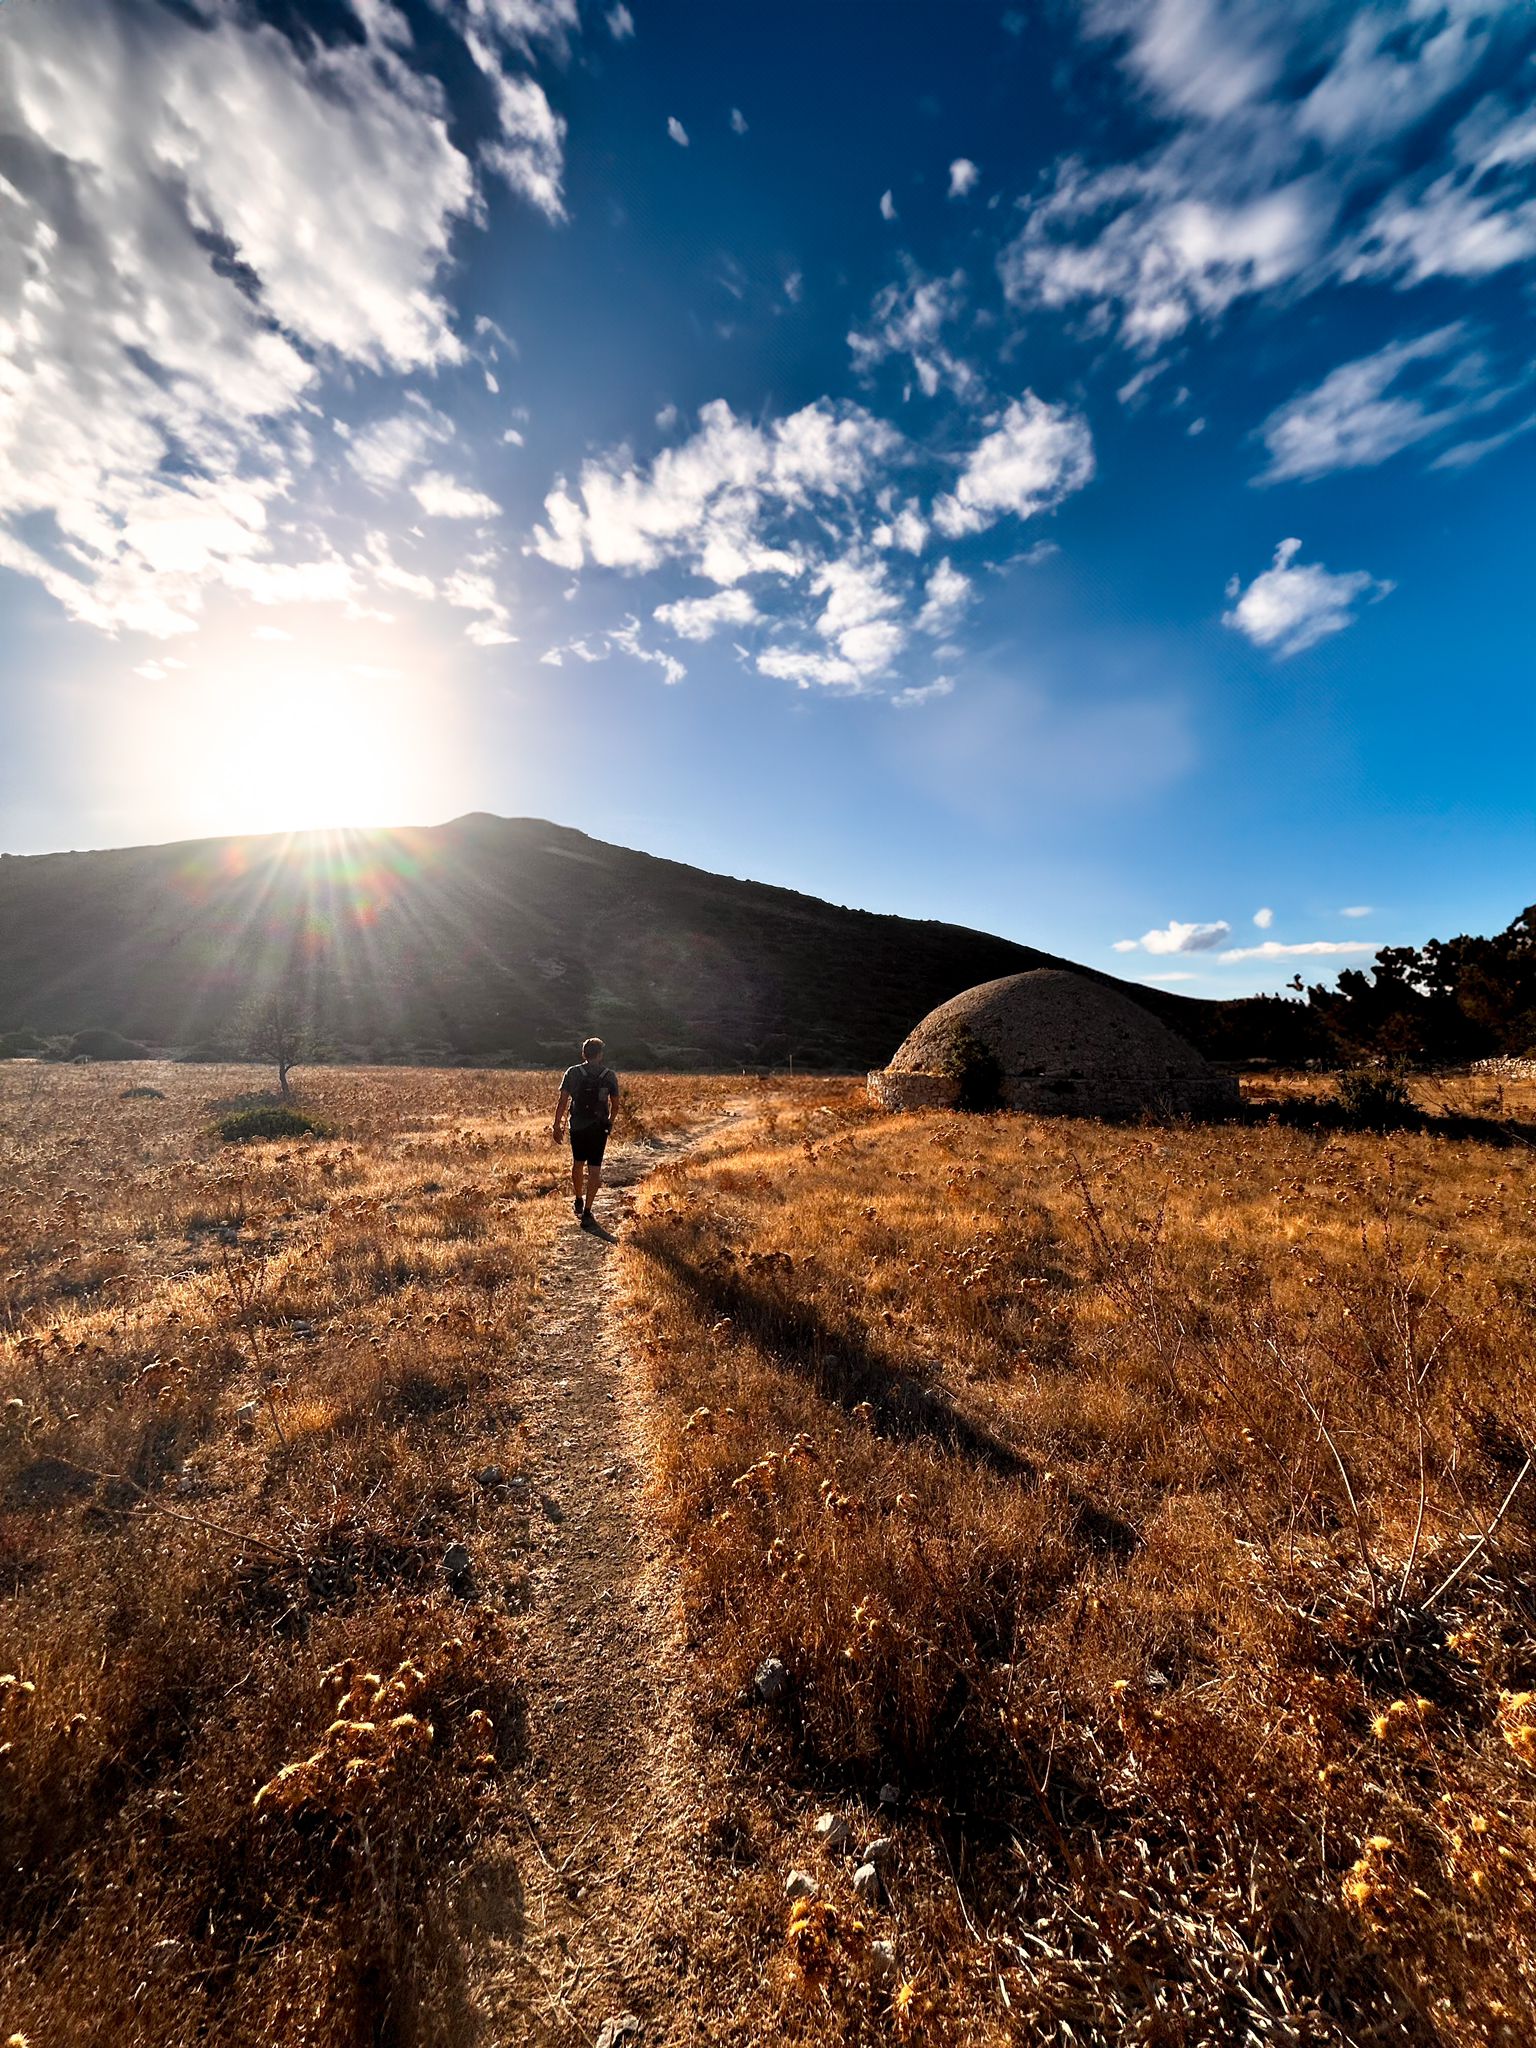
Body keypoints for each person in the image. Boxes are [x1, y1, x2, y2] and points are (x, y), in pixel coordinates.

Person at [553, 1037, 619, 1230]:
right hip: (599, 1128)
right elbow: (615, 1104)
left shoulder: (572, 1072)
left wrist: (557, 1125)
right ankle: (589, 1211)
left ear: (584, 1054)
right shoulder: (609, 1075)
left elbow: (563, 1101)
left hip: (578, 1126)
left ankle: (578, 1198)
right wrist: (610, 1122)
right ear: (600, 1054)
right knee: (595, 1169)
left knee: (578, 1163)